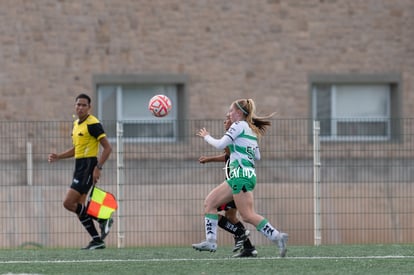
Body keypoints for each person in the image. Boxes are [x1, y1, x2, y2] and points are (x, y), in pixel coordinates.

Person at [192, 98, 288, 257]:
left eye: (231, 111)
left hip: (240, 176)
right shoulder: (249, 129)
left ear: (239, 112)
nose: (228, 114)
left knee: (247, 215)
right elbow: (257, 155)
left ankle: (278, 237)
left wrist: (206, 136)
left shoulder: (238, 125)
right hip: (246, 175)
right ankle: (211, 241)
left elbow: (219, 144)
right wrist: (237, 147)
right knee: (210, 203)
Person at [48, 93, 113, 250]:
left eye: (84, 105)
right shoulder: (76, 124)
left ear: (89, 107)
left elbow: (108, 148)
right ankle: (97, 240)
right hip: (79, 166)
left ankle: (103, 219)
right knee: (79, 208)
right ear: (75, 106)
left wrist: (98, 168)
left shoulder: (93, 124)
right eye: (78, 104)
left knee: (68, 203)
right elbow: (76, 149)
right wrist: (59, 157)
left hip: (88, 166)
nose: (80, 107)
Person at [199, 115, 257, 258]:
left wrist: (209, 158)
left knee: (212, 210)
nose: (225, 121)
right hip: (234, 181)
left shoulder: (233, 137)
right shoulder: (232, 138)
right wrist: (209, 159)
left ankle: (240, 234)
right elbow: (229, 156)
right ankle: (249, 248)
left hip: (235, 182)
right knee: (230, 216)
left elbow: (229, 155)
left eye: (227, 119)